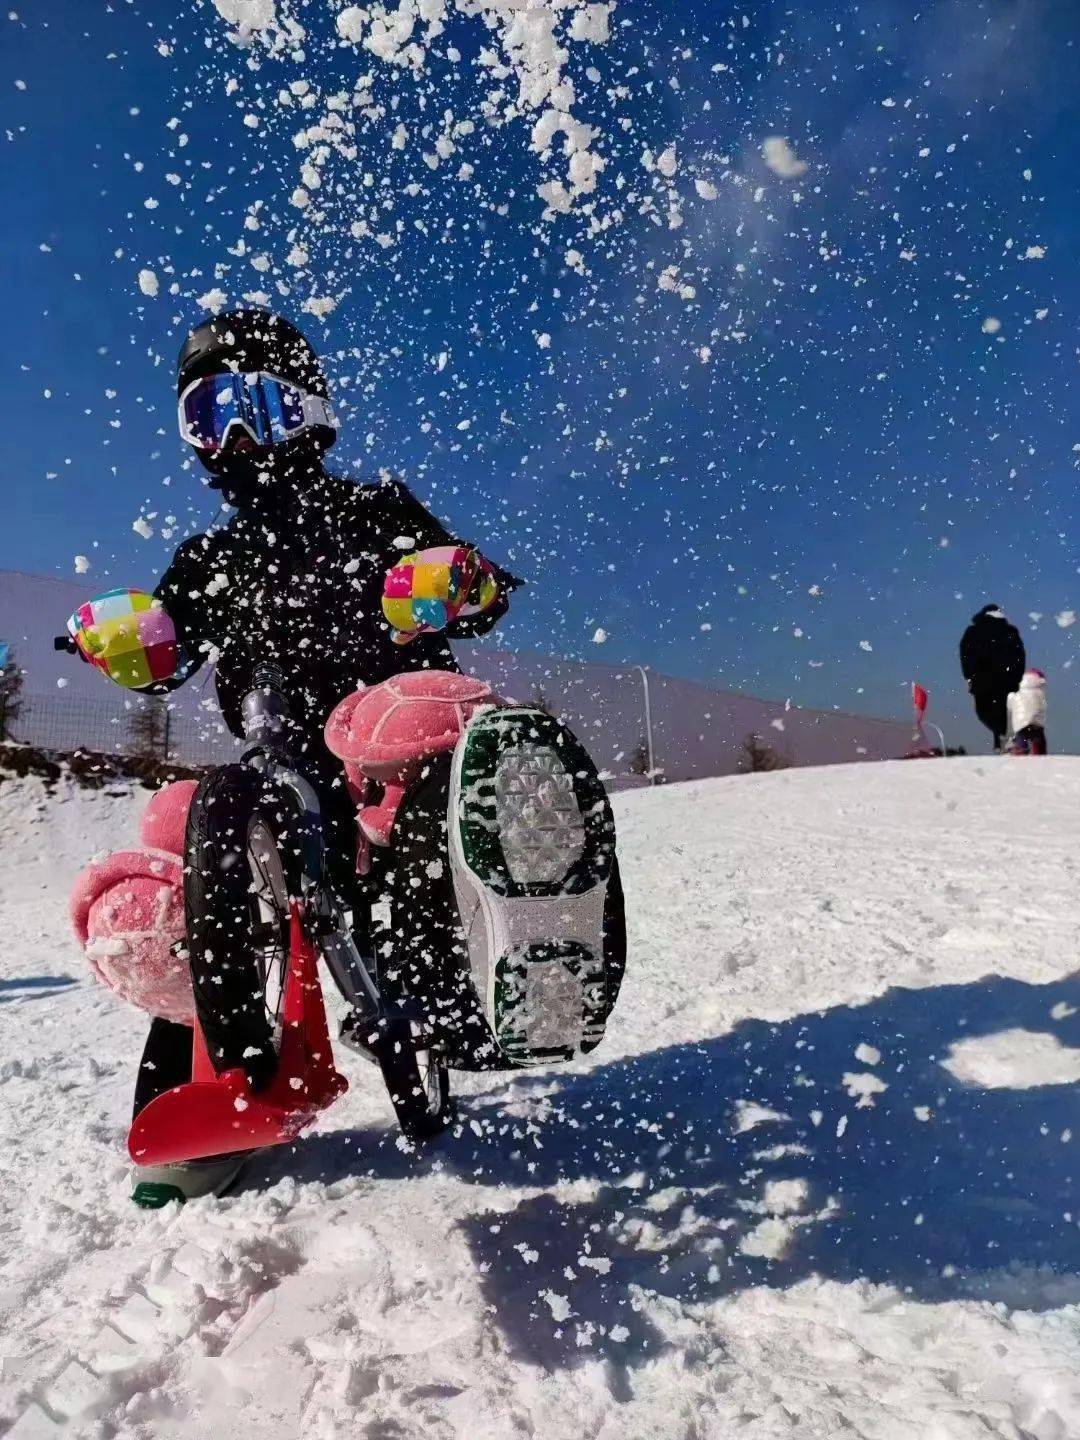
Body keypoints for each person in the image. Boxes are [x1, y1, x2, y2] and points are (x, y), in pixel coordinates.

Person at [66, 309, 626, 1203]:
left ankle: (507, 921)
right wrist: (136, 642)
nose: (239, 437)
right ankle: (213, 1084)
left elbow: (463, 579)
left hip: (389, 750)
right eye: (211, 417)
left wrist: (458, 582)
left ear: (310, 413)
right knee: (194, 824)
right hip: (283, 775)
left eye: (258, 406)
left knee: (405, 731)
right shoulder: (210, 557)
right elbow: (170, 652)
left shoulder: (373, 510)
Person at [959, 604, 1026, 750]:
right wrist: (1017, 677)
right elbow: (1020, 657)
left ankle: (1004, 739)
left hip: (983, 681)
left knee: (986, 711)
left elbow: (966, 655)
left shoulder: (973, 632)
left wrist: (970, 676)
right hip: (1008, 681)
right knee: (1005, 711)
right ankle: (1009, 740)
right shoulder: (1010, 632)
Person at [1006, 668, 1048, 755]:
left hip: (1020, 724)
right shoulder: (1039, 692)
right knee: (1039, 741)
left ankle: (1020, 749)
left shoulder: (1017, 693)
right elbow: (1042, 707)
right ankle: (1039, 753)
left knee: (1022, 738)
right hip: (1036, 724)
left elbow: (1010, 705)